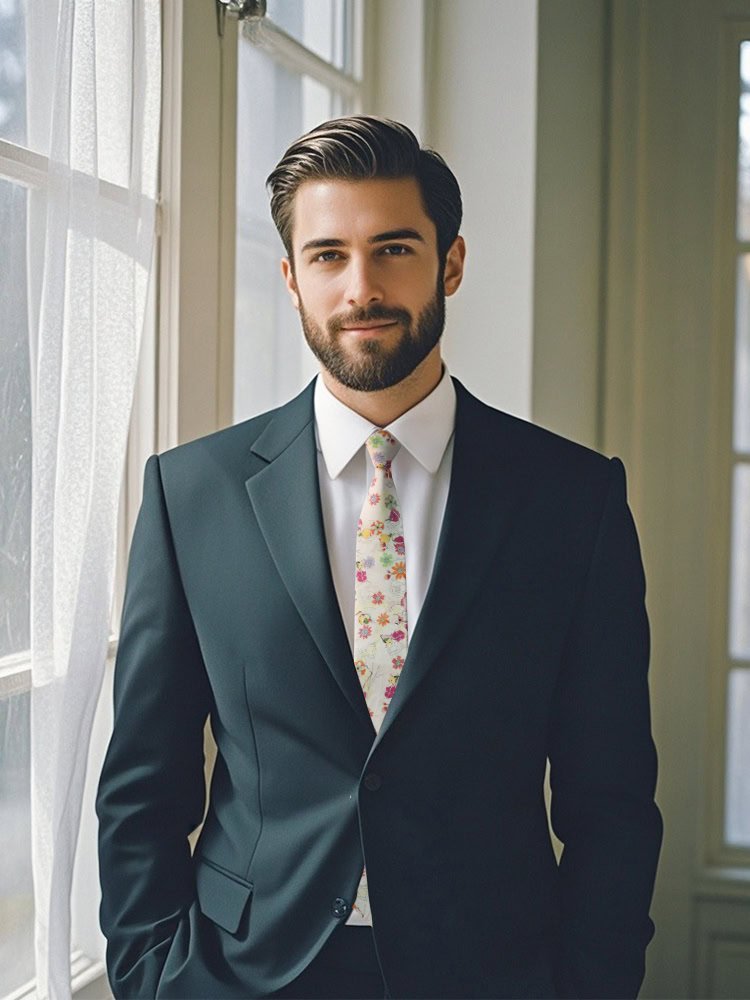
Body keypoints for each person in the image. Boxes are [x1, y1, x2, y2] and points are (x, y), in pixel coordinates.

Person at [96, 115, 662, 1000]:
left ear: (451, 263)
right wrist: (148, 976)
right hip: (241, 972)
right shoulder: (191, 494)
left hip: (493, 972)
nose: (361, 288)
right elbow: (142, 785)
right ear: (291, 278)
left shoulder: (573, 500)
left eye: (394, 249)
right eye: (328, 255)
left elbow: (613, 800)